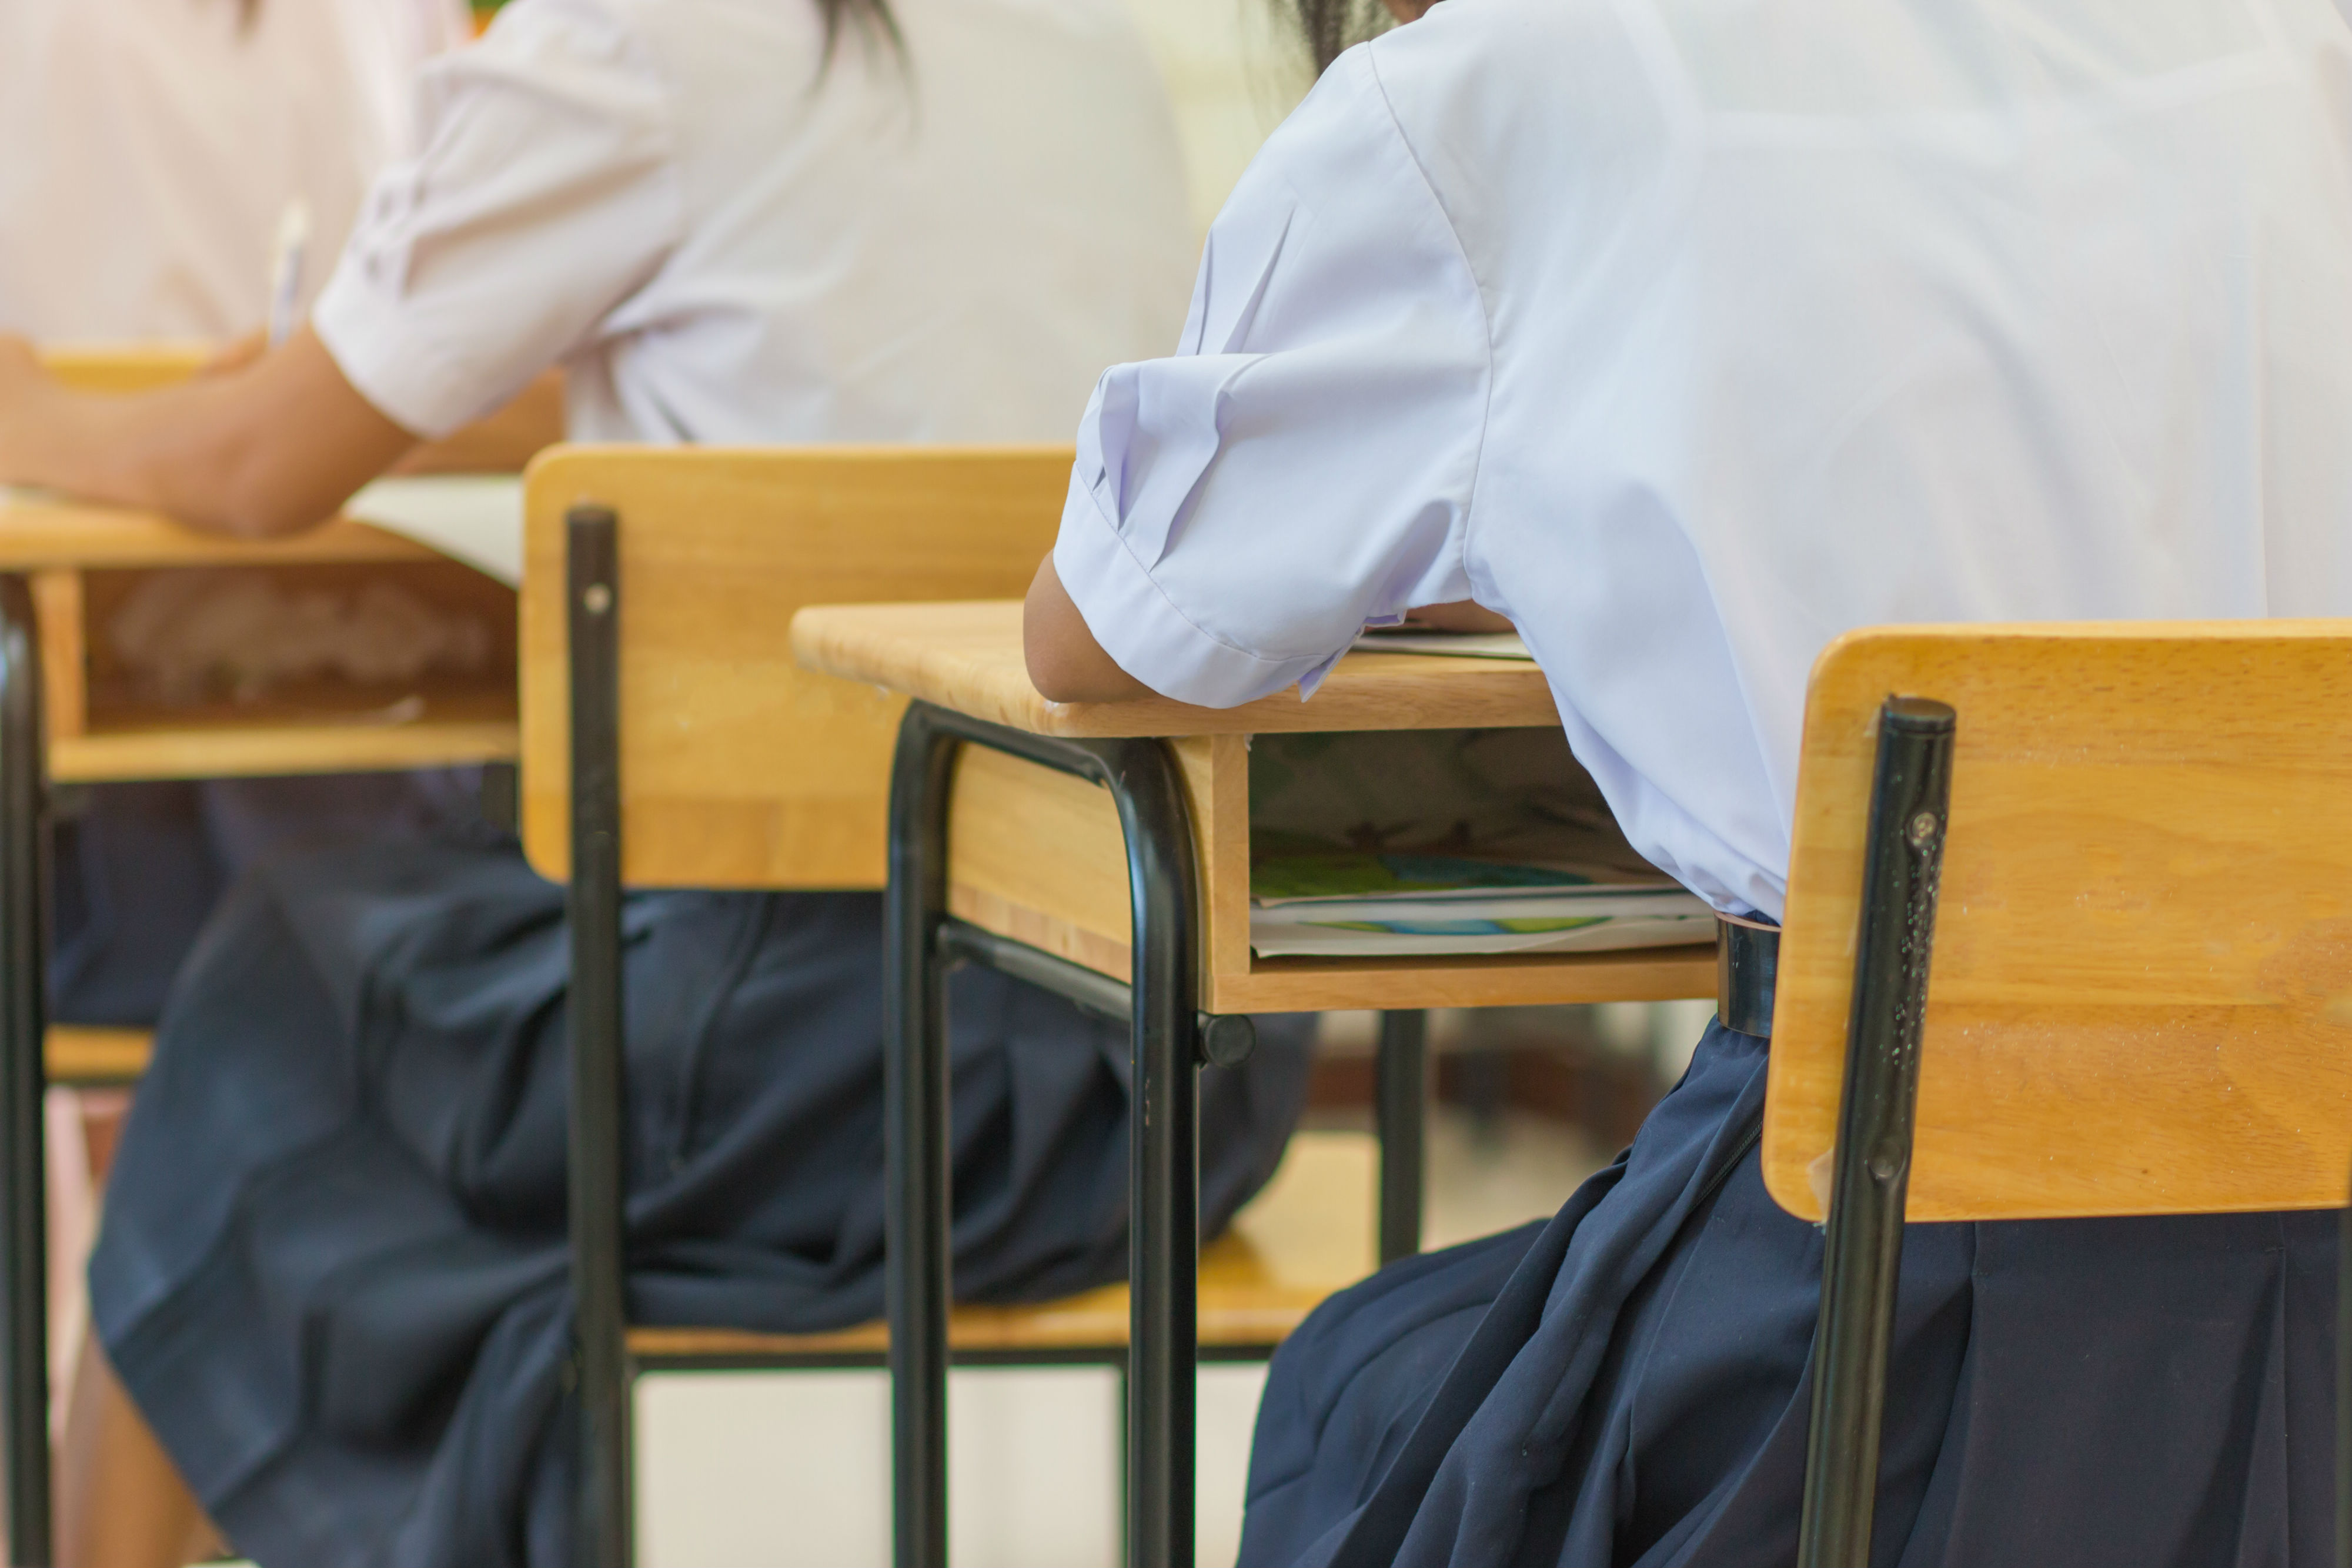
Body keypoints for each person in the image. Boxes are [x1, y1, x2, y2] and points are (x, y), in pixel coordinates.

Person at [1024, 0, 2352, 1563]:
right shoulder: (2284, 44)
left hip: (1876, 1315)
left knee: (1352, 1393)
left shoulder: (1498, 94)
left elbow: (1105, 633)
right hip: (2306, 1286)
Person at [0, 1, 1314, 1564]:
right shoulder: (1074, 36)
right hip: (1160, 1056)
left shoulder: (627, 41)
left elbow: (251, 470)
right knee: (397, 1073)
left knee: (264, 995)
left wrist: (31, 404)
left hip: (810, 1057)